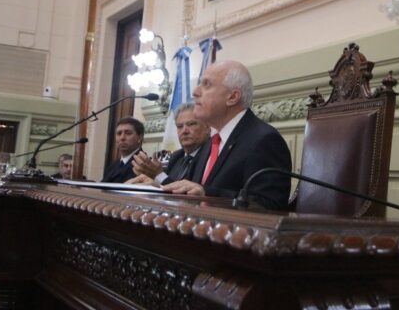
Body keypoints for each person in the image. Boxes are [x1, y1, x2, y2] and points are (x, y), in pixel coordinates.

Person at [132, 60, 292, 210]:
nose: (195, 92)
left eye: (207, 85)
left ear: (232, 97)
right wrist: (156, 187)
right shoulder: (211, 143)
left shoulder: (264, 140)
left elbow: (269, 207)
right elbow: (190, 191)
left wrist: (206, 195)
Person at [130, 103, 211, 184]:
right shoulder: (176, 157)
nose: (184, 131)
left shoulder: (211, 155)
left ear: (207, 127)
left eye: (191, 124)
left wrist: (158, 175)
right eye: (179, 126)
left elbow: (191, 193)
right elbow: (169, 188)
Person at [101, 116, 146, 183]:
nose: (122, 138)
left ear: (139, 138)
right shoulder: (113, 165)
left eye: (128, 133)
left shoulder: (143, 164)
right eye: (119, 133)